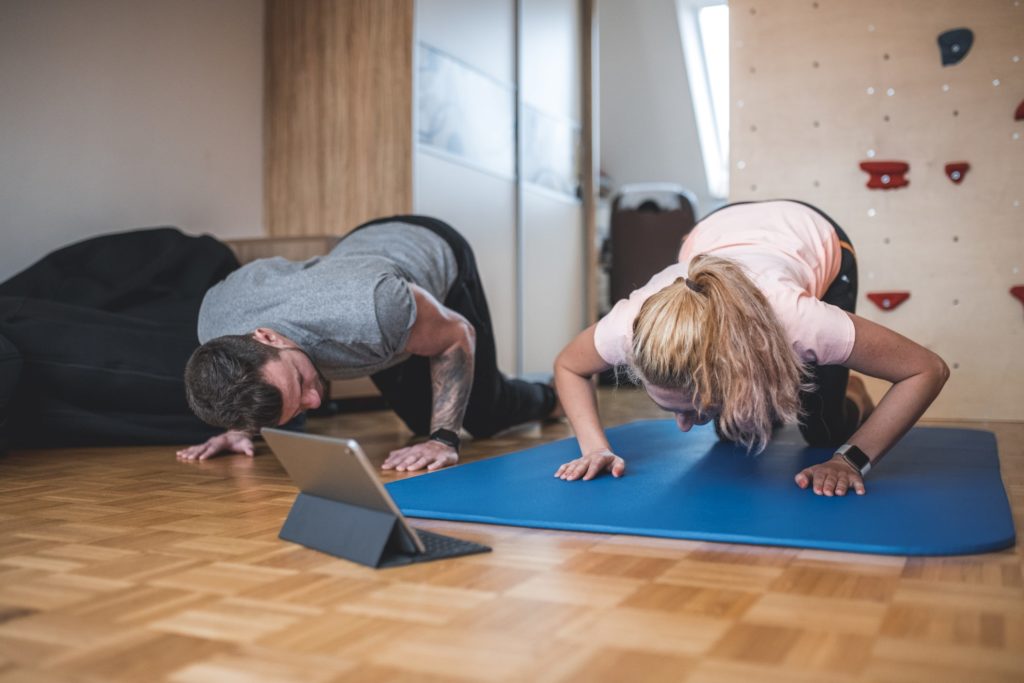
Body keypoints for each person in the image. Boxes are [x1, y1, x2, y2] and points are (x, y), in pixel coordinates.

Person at [553, 200, 948, 496]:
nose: (684, 425)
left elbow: (926, 369)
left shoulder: (797, 321)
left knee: (823, 430)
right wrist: (594, 448)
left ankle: (848, 388)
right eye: (674, 407)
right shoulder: (629, 325)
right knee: (736, 435)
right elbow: (569, 366)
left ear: (734, 364)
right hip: (718, 226)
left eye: (692, 407)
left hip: (811, 232)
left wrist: (851, 460)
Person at [178, 215, 558, 470]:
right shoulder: (216, 329)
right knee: (416, 420)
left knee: (481, 416)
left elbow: (457, 336)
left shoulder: (371, 310)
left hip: (430, 248)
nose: (314, 401)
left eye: (300, 383)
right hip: (362, 261)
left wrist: (443, 440)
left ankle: (554, 394)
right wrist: (240, 426)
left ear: (267, 336)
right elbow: (257, 377)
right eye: (298, 406)